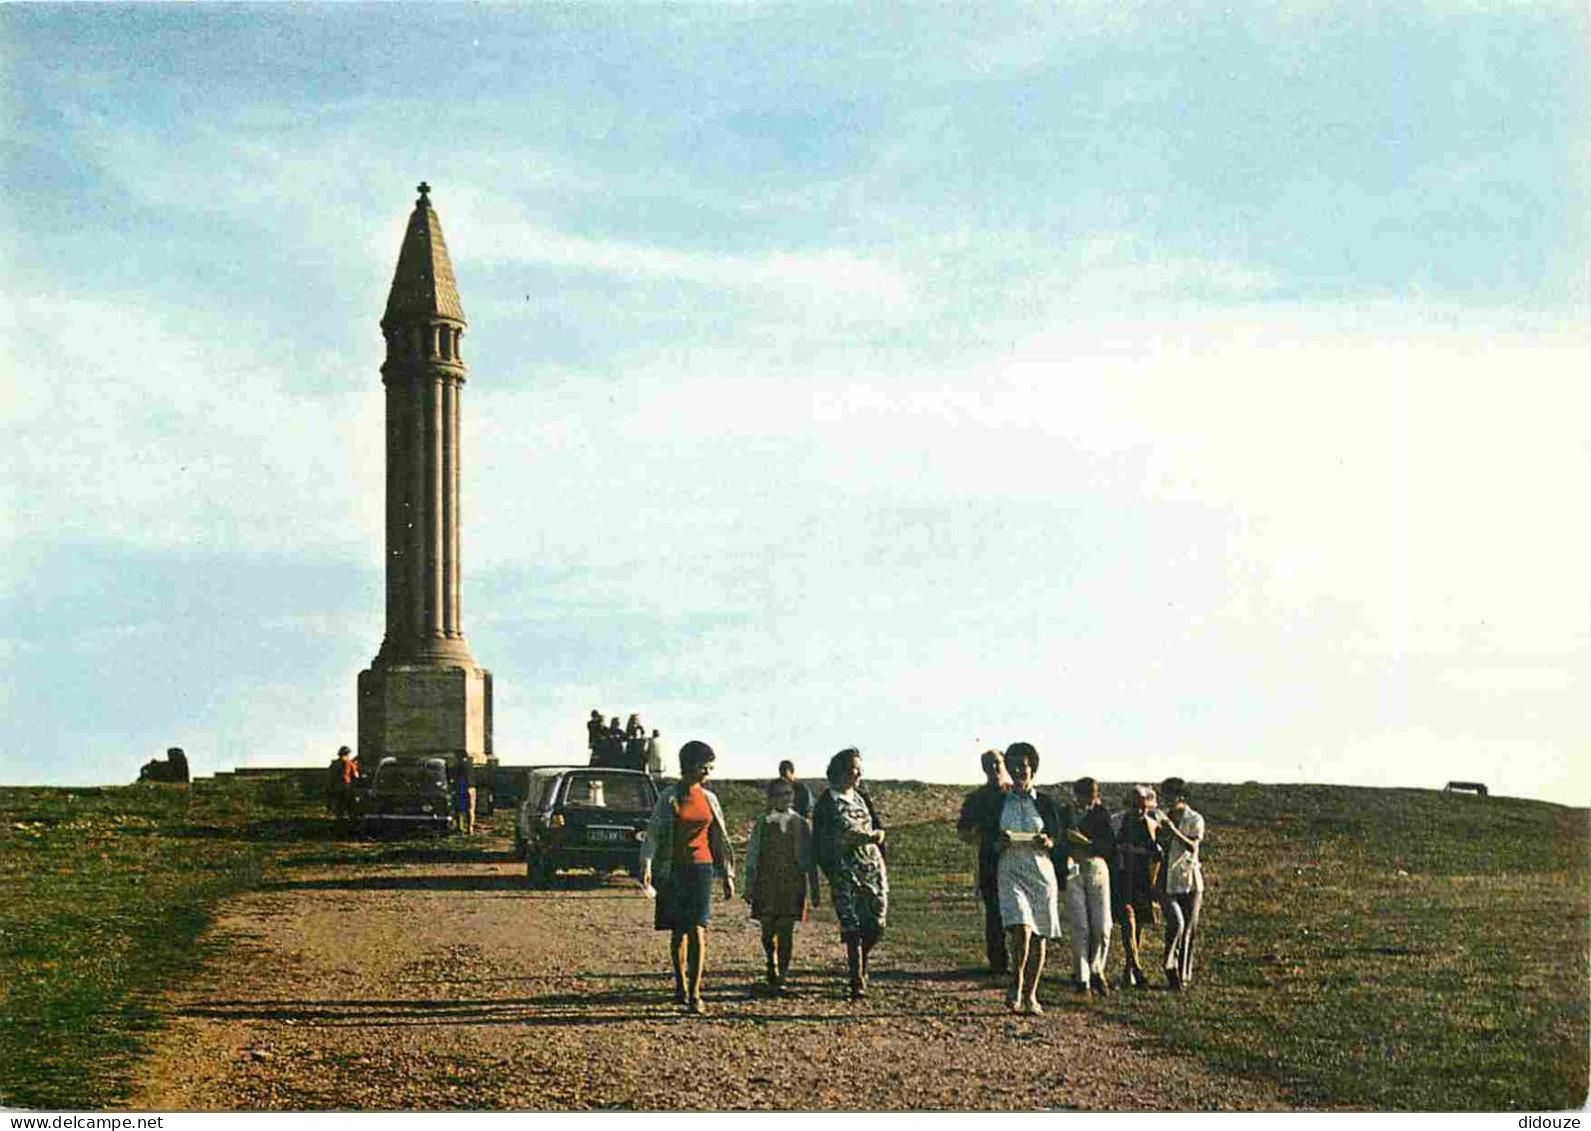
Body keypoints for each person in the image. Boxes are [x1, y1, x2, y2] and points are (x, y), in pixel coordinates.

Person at [639, 740, 736, 1015]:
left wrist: (727, 874)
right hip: (673, 871)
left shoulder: (710, 799)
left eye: (710, 766)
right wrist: (646, 865)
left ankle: (695, 993)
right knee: (678, 930)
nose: (708, 771)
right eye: (705, 765)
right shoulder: (668, 797)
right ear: (691, 765)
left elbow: (719, 839)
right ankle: (680, 986)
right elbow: (654, 834)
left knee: (697, 929)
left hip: (701, 870)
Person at [988, 742, 1065, 1015]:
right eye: (1015, 766)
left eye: (1025, 765)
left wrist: (1049, 841)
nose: (1020, 770)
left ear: (1033, 768)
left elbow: (1058, 837)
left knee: (1040, 935)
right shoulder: (1000, 802)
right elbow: (989, 842)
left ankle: (1031, 994)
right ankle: (1016, 981)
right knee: (1021, 928)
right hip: (1010, 869)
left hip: (1040, 873)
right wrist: (1000, 842)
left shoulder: (1045, 802)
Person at [811, 747, 888, 1001]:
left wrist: (878, 837)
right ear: (841, 770)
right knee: (852, 924)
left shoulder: (862, 796)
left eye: (860, 768)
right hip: (844, 872)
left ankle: (863, 958)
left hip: (872, 869)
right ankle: (856, 978)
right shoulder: (826, 803)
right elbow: (821, 842)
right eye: (855, 768)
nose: (859, 773)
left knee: (876, 923)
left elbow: (878, 826)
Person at [744, 777, 821, 995]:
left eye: (787, 794)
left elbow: (809, 859)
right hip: (767, 883)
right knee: (768, 929)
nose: (783, 798)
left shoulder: (801, 824)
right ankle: (771, 961)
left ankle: (782, 974)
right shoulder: (763, 822)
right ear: (770, 798)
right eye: (778, 794)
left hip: (792, 883)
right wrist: (749, 885)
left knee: (786, 930)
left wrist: (814, 888)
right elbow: (752, 856)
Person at [956, 749, 1011, 978]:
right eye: (989, 764)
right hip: (990, 860)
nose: (994, 768)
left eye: (997, 763)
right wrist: (986, 841)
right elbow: (963, 831)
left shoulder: (1015, 794)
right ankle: (998, 963)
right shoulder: (976, 798)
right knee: (994, 913)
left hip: (1017, 858)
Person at [1062, 776, 1117, 995]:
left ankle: (1097, 969)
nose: (1088, 800)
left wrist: (1086, 843)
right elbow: (1061, 839)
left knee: (1102, 925)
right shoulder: (1066, 813)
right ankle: (1082, 977)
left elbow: (1109, 847)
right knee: (1080, 926)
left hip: (1096, 867)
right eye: (1085, 795)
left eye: (1092, 795)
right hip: (1074, 868)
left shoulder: (1102, 814)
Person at [1112, 785, 1163, 989]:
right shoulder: (1117, 821)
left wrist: (1153, 882)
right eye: (1136, 806)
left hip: (1141, 879)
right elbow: (1110, 846)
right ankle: (1138, 969)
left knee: (1137, 926)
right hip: (1122, 877)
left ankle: (1128, 969)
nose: (1140, 811)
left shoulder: (1151, 824)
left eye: (1143, 807)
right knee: (1129, 920)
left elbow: (1157, 854)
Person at [1158, 777, 1205, 990]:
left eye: (1170, 796)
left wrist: (1174, 831)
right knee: (1176, 924)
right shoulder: (1164, 817)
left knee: (1189, 930)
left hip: (1190, 880)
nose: (1166, 800)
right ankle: (1169, 963)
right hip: (1168, 878)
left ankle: (1182, 976)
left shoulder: (1194, 818)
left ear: (1180, 797)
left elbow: (1192, 847)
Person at [328, 745, 359, 823]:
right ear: (347, 754)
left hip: (336, 788)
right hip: (347, 787)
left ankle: (339, 822)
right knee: (350, 805)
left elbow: (330, 777)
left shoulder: (334, 764)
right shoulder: (349, 763)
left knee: (339, 807)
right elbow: (355, 775)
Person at [454, 754, 476, 835]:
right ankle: (470, 828)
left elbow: (456, 777)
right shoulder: (470, 765)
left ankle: (459, 828)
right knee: (470, 809)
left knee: (458, 809)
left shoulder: (458, 765)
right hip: (471, 787)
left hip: (462, 787)